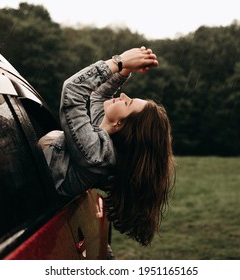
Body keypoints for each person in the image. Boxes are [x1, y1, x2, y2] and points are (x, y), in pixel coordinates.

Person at [42, 47, 175, 246]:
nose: (123, 96)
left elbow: (72, 91)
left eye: (128, 103)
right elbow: (98, 96)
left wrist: (118, 62)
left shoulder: (96, 154)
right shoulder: (104, 134)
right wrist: (124, 71)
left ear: (121, 124)